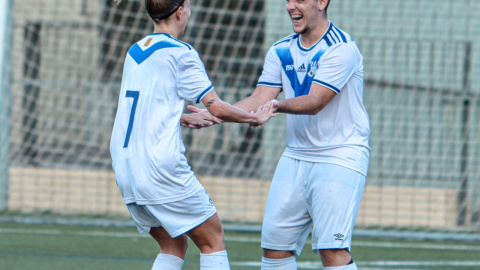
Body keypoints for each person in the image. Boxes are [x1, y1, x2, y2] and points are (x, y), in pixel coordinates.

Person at [186, 0, 370, 269]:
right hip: (295, 155)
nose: (291, 6)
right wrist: (216, 114)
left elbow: (316, 101)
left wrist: (276, 105)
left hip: (339, 156)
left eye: (300, 0)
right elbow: (259, 97)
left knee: (332, 250)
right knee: (275, 248)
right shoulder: (281, 49)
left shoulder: (341, 49)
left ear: (322, 2)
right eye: (288, 0)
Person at [109, 0, 277, 269]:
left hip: (126, 168)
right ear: (180, 11)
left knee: (174, 244)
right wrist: (254, 117)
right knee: (213, 239)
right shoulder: (181, 53)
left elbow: (143, 107)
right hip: (159, 167)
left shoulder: (135, 50)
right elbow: (217, 107)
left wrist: (182, 115)